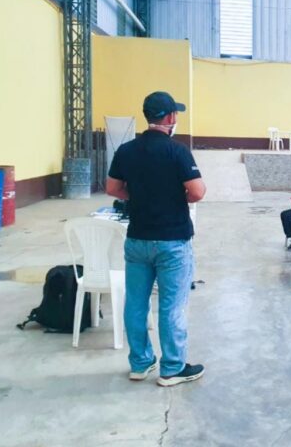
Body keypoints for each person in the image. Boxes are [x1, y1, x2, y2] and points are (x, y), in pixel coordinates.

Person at [106, 91, 207, 387]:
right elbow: (197, 192)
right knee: (171, 306)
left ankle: (140, 364)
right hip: (172, 241)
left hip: (137, 239)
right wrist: (174, 198)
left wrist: (139, 196)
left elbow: (112, 188)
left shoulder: (126, 150)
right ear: (171, 117)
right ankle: (172, 368)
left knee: (136, 304)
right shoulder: (177, 151)